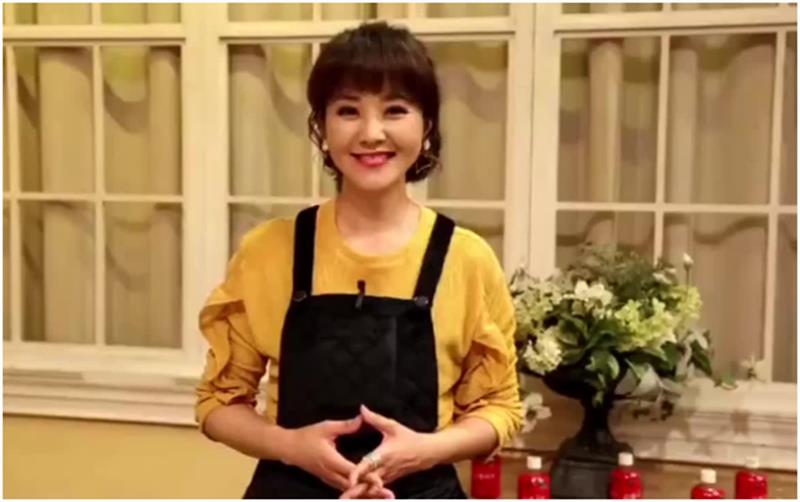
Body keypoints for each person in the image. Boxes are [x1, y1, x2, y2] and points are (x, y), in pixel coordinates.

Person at [195, 21, 522, 499]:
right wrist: (291, 446)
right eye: (348, 111)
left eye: (395, 110)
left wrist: (424, 451)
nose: (371, 133)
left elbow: (500, 409)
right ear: (322, 128)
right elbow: (217, 404)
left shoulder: (466, 258)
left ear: (427, 128)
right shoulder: (269, 251)